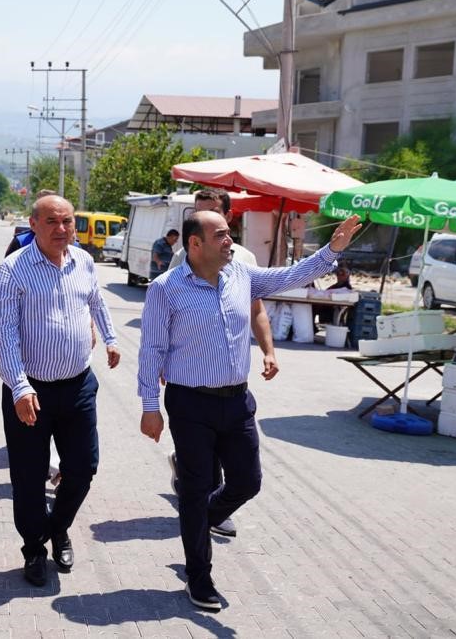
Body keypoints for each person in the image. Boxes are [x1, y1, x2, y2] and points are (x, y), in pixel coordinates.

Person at [137, 211, 362, 611]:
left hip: (237, 402)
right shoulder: (165, 289)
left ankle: (199, 520)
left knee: (247, 482)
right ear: (195, 244)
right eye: (221, 235)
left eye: (230, 234)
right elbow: (151, 349)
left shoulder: (242, 275)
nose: (230, 241)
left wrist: (331, 251)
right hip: (190, 404)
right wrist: (150, 406)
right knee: (196, 489)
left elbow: (291, 275)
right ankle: (199, 577)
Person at [0, 194, 121, 587]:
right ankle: (34, 548)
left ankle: (58, 526)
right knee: (29, 476)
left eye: (67, 221)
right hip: (30, 392)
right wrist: (19, 386)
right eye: (52, 221)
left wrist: (112, 339)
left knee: (83, 467)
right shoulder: (13, 270)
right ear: (33, 224)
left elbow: (96, 300)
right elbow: (4, 334)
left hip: (78, 386)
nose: (62, 229)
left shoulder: (83, 261)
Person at [167, 188, 278, 538]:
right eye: (195, 213)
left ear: (228, 216)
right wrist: (162, 361)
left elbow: (256, 309)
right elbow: (166, 308)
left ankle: (208, 511)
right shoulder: (183, 254)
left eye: (211, 211)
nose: (199, 219)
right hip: (192, 380)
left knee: (241, 470)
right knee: (205, 461)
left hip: (230, 375)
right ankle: (205, 517)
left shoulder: (243, 259)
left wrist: (268, 350)